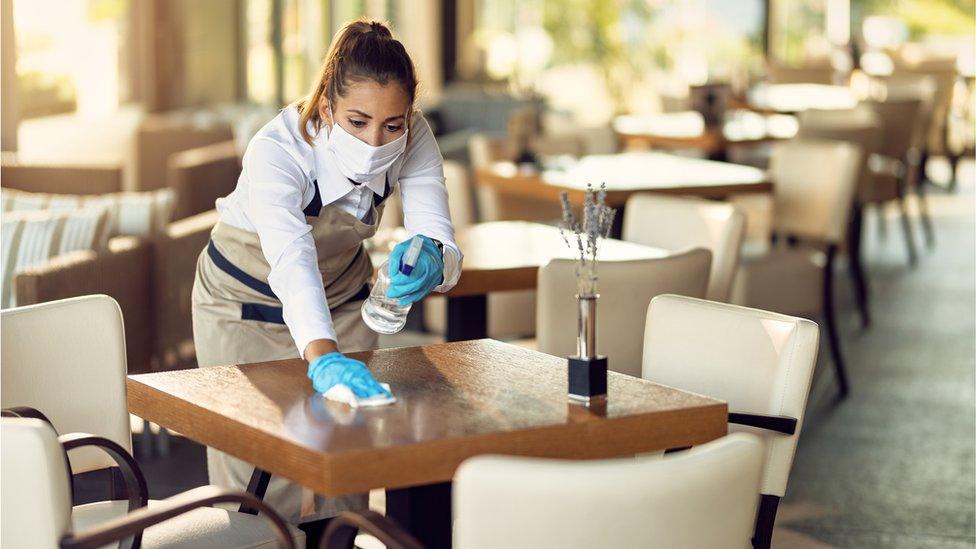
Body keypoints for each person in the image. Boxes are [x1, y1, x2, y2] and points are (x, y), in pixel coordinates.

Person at [190, 18, 462, 538]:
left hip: (343, 298)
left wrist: (433, 259)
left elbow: (439, 235)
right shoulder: (278, 152)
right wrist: (324, 357)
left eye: (392, 125)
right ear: (327, 105)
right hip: (241, 303)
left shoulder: (416, 134)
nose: (376, 140)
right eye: (358, 122)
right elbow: (292, 263)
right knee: (261, 479)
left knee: (344, 466)